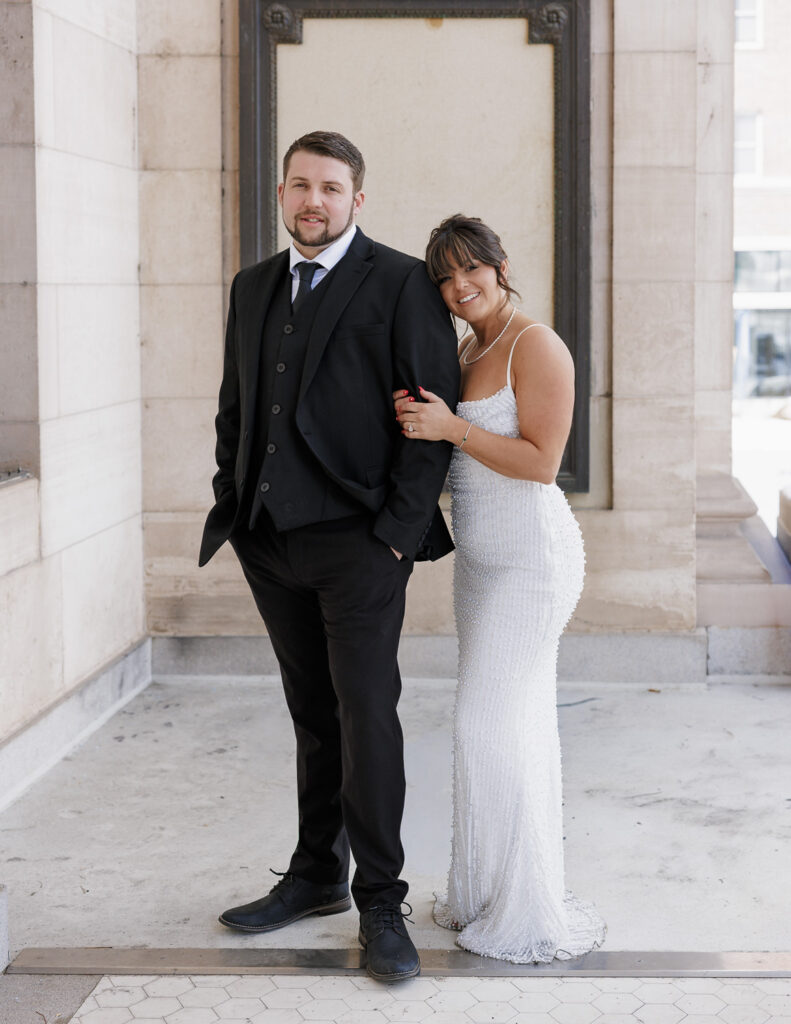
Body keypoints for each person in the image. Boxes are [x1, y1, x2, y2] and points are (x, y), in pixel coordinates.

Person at [199, 132, 460, 981]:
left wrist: (393, 533)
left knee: (366, 718)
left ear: (358, 200)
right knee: (313, 714)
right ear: (281, 194)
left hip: (359, 546)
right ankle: (317, 875)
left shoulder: (398, 283)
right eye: (301, 185)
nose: (315, 201)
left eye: (332, 187)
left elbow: (429, 422)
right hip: (269, 542)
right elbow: (236, 409)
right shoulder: (252, 287)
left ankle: (381, 901)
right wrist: (235, 506)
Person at [394, 214, 606, 963]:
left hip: (532, 561)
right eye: (445, 278)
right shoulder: (465, 346)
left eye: (470, 271)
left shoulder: (533, 343)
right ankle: (488, 890)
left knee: (484, 723)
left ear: (499, 265)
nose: (459, 287)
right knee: (508, 725)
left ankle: (525, 909)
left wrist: (450, 429)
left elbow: (542, 462)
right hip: (480, 566)